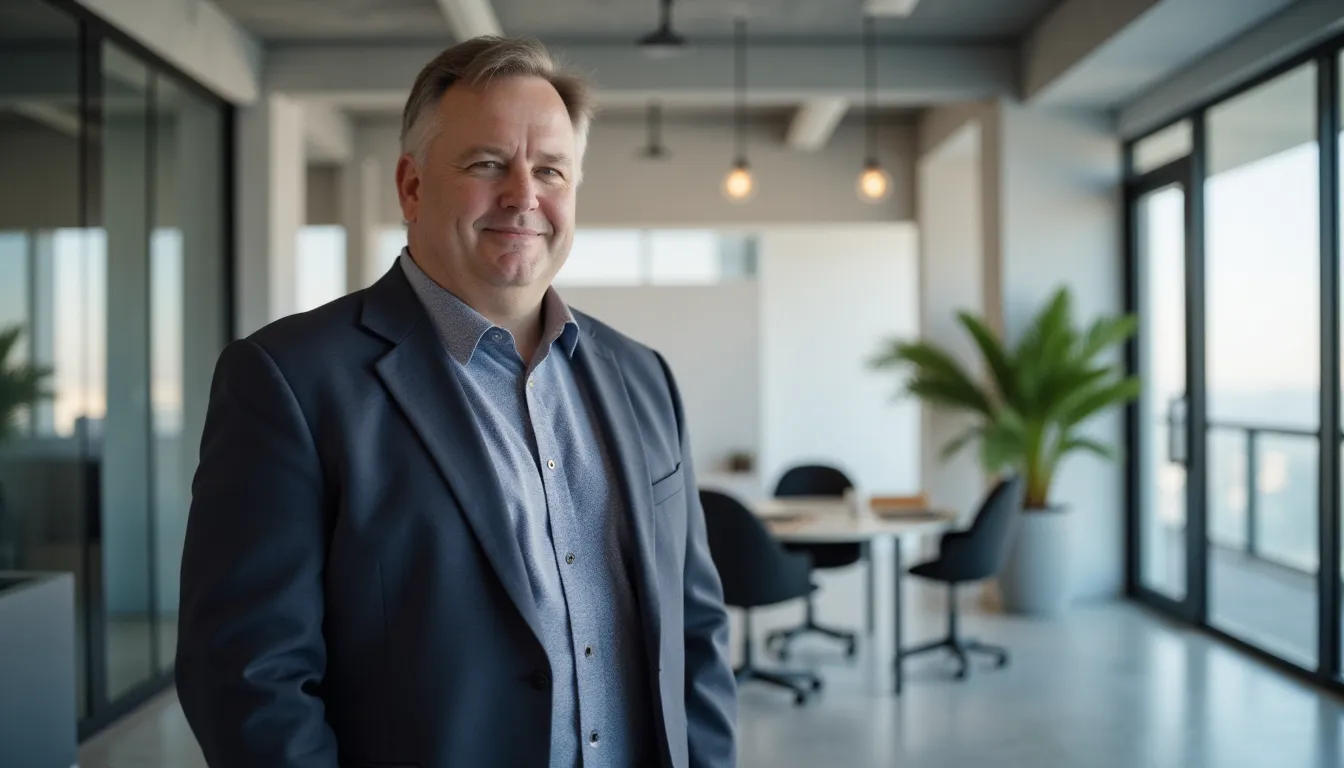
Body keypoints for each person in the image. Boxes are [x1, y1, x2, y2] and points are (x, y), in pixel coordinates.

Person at [175, 35, 737, 768]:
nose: (523, 197)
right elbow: (248, 679)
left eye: (550, 171)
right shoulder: (289, 380)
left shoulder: (643, 376)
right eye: (487, 164)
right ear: (411, 186)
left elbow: (695, 633)